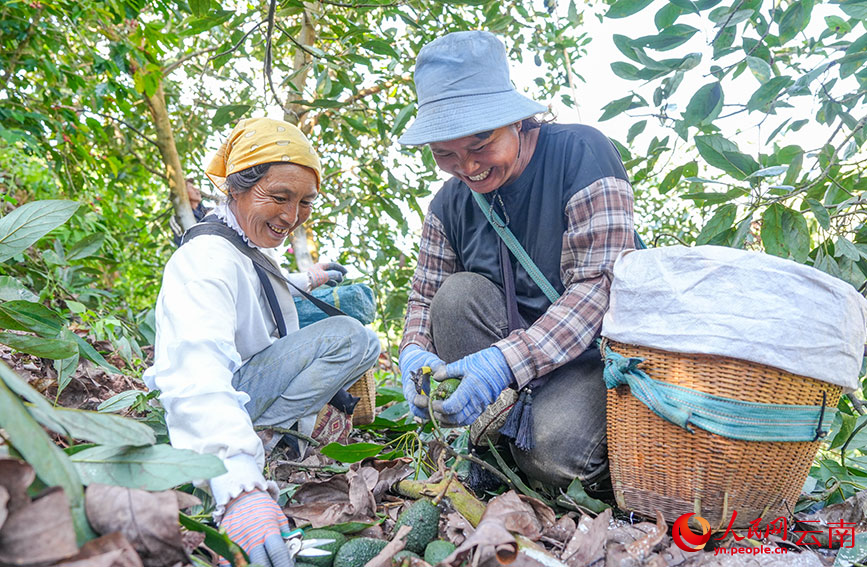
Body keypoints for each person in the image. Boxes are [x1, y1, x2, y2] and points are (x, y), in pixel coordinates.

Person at [396, 31, 636, 494]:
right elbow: (425, 297)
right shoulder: (448, 206)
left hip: (593, 360)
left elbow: (599, 288)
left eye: (481, 143)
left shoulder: (580, 154)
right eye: (445, 153)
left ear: (519, 121)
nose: (467, 166)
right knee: (455, 295)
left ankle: (578, 467)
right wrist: (412, 353)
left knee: (552, 451)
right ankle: (494, 449)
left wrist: (502, 365)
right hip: (509, 354)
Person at [144, 117, 381, 567]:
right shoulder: (204, 259)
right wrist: (239, 488)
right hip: (220, 397)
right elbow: (197, 372)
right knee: (353, 336)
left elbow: (262, 286)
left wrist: (307, 278)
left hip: (251, 377)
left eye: (305, 202)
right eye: (279, 197)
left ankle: (278, 428)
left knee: (355, 322)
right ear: (234, 189)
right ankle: (267, 433)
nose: (292, 217)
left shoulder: (242, 245)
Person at [169, 177, 211, 246]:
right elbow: (181, 242)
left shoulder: (211, 212)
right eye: (191, 188)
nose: (196, 190)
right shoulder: (176, 219)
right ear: (183, 194)